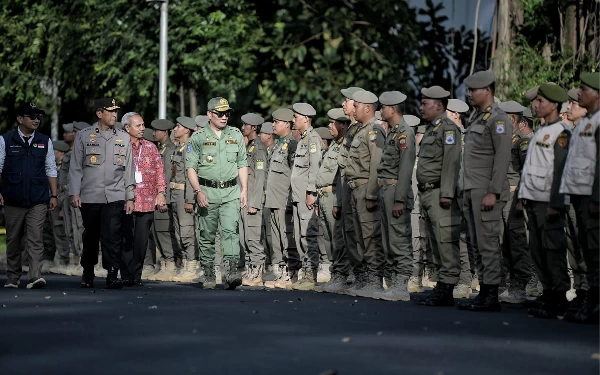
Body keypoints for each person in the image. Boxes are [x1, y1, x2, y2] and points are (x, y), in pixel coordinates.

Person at [458, 71, 512, 312]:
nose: (469, 94)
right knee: (477, 243)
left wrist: (493, 192)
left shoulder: (498, 119)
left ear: (487, 91)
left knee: (488, 242)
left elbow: (502, 158)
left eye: (473, 90)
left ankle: (491, 294)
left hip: (485, 191)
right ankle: (483, 292)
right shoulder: (477, 118)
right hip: (470, 189)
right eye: (468, 90)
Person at [69, 98, 136, 289]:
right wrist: (74, 192)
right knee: (90, 236)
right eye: (110, 111)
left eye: (116, 111)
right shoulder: (84, 135)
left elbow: (129, 170)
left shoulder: (123, 137)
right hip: (90, 195)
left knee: (113, 235)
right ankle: (88, 272)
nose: (114, 115)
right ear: (100, 114)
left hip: (115, 195)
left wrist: (130, 196)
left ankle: (112, 273)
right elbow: (75, 167)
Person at [519, 83, 571, 319]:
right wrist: (522, 197)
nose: (535, 105)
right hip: (533, 199)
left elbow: (560, 171)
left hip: (548, 202)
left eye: (540, 101)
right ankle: (548, 293)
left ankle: (559, 296)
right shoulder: (541, 130)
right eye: (534, 101)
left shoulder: (561, 132)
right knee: (538, 250)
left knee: (552, 249)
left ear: (554, 104)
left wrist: (555, 203)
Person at [186, 98, 248, 290]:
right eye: (220, 113)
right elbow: (190, 167)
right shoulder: (197, 138)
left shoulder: (236, 134)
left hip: (230, 191)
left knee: (231, 231)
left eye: (227, 113)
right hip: (207, 191)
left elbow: (242, 164)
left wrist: (244, 189)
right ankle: (209, 273)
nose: (224, 117)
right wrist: (198, 191)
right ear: (210, 115)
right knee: (207, 235)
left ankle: (231, 272)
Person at [2, 102, 58, 289]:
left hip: (38, 199)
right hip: (13, 198)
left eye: (38, 116)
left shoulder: (45, 140)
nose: (36, 119)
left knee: (35, 238)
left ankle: (35, 276)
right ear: (20, 119)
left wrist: (54, 195)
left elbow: (51, 168)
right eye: (31, 116)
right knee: (13, 239)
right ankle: (13, 277)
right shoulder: (5, 140)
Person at [415, 86, 462, 307]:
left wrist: (447, 193)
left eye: (425, 103)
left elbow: (451, 163)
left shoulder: (449, 129)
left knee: (445, 241)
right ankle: (441, 285)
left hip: (439, 193)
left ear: (439, 106)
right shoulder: (432, 129)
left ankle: (447, 287)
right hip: (427, 193)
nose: (421, 107)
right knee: (435, 242)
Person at [562, 72, 600, 323]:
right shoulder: (587, 122)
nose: (579, 93)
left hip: (592, 197)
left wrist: (597, 197)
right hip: (579, 195)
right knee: (587, 250)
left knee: (596, 251)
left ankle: (595, 303)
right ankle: (591, 301)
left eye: (583, 89)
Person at [373, 91, 416, 301]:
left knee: (399, 238)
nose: (380, 110)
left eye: (383, 107)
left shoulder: (404, 133)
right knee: (388, 239)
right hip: (385, 190)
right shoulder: (392, 132)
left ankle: (402, 285)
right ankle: (392, 282)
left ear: (393, 109)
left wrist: (399, 199)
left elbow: (406, 169)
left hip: (396, 191)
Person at [490, 100, 533, 304]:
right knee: (502, 243)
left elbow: (527, 171)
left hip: (514, 196)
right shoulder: (503, 140)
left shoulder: (521, 141)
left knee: (517, 242)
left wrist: (521, 199)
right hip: (501, 196)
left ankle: (520, 286)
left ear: (511, 118)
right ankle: (506, 284)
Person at [344, 90, 386, 298]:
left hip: (365, 189)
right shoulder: (359, 131)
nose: (354, 108)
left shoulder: (374, 131)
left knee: (370, 235)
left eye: (357, 105)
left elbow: (376, 165)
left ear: (367, 108)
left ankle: (375, 279)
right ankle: (365, 278)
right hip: (354, 188)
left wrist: (371, 194)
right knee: (359, 235)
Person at [120, 112, 166, 286]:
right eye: (138, 126)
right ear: (127, 128)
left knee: (141, 241)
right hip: (126, 201)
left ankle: (136, 274)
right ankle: (126, 274)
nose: (142, 128)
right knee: (125, 240)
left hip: (147, 201)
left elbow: (160, 172)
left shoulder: (150, 147)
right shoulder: (120, 146)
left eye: (142, 125)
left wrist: (161, 193)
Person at [314, 109, 351, 293]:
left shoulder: (346, 144)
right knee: (328, 238)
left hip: (334, 194)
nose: (329, 126)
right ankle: (335, 273)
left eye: (332, 123)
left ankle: (342, 275)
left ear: (343, 125)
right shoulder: (335, 145)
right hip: (323, 196)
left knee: (338, 238)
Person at [263, 109, 299, 289]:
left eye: (276, 122)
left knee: (287, 238)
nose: (273, 125)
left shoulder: (293, 144)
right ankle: (283, 272)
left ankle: (292, 273)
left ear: (287, 124)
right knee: (277, 239)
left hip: (284, 199)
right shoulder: (279, 144)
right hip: (274, 199)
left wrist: (291, 199)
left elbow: (295, 174)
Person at [289, 103, 322, 291]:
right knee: (299, 234)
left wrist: (311, 192)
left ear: (306, 119)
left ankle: (311, 274)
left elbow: (315, 167)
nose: (293, 120)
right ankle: (305, 273)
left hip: (305, 195)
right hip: (298, 195)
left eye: (296, 117)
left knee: (307, 235)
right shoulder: (303, 140)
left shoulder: (313, 139)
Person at [562, 87, 590, 307]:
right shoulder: (576, 130)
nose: (569, 107)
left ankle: (590, 294)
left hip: (588, 199)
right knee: (573, 244)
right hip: (572, 197)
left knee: (588, 247)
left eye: (573, 103)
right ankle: (581, 292)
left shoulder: (592, 127)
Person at [446, 98, 475, 299]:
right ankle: (458, 279)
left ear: (456, 114)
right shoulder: (447, 136)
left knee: (468, 239)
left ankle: (468, 280)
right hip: (450, 194)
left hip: (467, 194)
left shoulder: (468, 137)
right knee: (452, 239)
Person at [335, 86, 364, 294]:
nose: (343, 104)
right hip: (347, 187)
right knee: (348, 233)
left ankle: (365, 276)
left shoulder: (365, 129)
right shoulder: (353, 130)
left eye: (345, 101)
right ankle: (355, 274)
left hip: (359, 188)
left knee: (361, 234)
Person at [146, 119, 180, 281]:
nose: (153, 133)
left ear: (165, 132)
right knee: (157, 231)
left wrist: (163, 196)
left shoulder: (170, 150)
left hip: (163, 197)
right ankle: (166, 263)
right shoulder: (161, 149)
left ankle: (171, 264)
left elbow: (166, 176)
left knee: (164, 231)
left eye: (156, 131)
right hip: (155, 197)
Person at [239, 113, 269, 286]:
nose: (243, 127)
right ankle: (251, 269)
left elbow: (259, 177)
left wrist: (255, 203)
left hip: (252, 200)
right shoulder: (249, 146)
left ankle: (257, 271)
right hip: (245, 198)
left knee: (253, 238)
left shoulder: (258, 148)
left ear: (254, 127)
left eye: (246, 125)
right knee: (245, 237)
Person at [172, 116, 201, 283]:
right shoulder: (180, 148)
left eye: (178, 126)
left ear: (186, 130)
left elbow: (191, 175)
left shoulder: (190, 147)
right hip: (176, 195)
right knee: (178, 233)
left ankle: (191, 266)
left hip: (184, 195)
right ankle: (185, 264)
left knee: (187, 232)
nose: (175, 129)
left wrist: (190, 199)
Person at [42, 140, 71, 273]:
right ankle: (49, 259)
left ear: (60, 152)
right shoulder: (51, 165)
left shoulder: (67, 166)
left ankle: (65, 261)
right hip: (49, 202)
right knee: (48, 232)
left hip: (60, 203)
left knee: (61, 232)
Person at [314, 125, 335, 282]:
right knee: (324, 234)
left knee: (334, 234)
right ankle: (328, 265)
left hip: (332, 196)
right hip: (321, 196)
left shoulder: (332, 150)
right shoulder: (325, 154)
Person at [259, 122, 276, 278]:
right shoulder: (263, 151)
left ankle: (274, 266)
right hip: (262, 196)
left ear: (269, 135)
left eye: (262, 133)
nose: (259, 136)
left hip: (272, 197)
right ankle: (266, 265)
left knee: (272, 235)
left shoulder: (275, 150)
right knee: (263, 234)